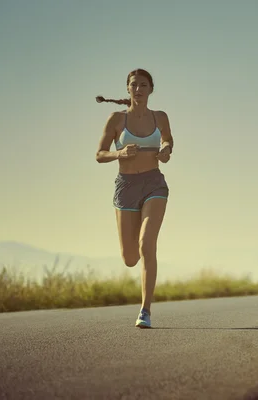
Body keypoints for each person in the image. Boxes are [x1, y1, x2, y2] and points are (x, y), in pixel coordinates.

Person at [95, 68, 174, 328]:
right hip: (126, 187)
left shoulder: (160, 117)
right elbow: (99, 154)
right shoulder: (116, 119)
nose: (138, 89)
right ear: (128, 89)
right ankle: (142, 269)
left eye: (143, 85)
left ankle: (145, 311)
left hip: (154, 185)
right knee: (130, 258)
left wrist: (165, 150)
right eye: (133, 85)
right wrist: (119, 154)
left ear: (151, 89)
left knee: (146, 244)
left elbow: (168, 141)